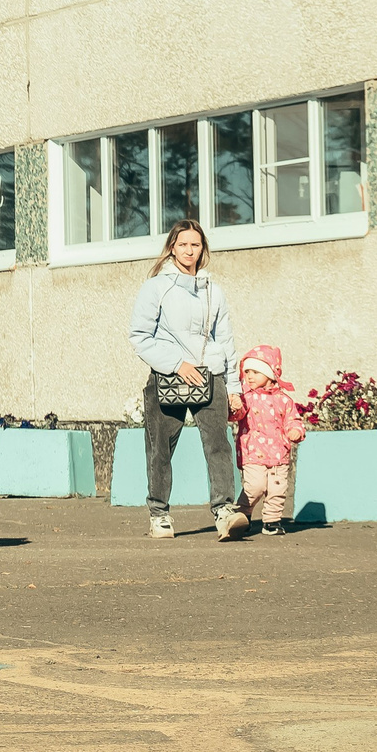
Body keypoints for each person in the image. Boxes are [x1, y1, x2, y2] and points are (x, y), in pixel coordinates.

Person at [128, 220, 243, 540]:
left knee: (219, 445)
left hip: (211, 375)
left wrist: (233, 386)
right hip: (168, 376)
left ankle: (224, 511)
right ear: (172, 247)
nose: (189, 250)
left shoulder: (212, 290)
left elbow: (226, 340)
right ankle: (159, 515)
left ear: (202, 249)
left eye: (195, 245)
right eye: (183, 244)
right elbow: (139, 337)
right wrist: (177, 364)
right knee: (160, 448)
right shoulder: (156, 286)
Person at [231, 343, 306, 536]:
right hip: (253, 451)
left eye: (256, 372)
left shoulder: (284, 400)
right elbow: (237, 416)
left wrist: (295, 431)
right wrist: (235, 406)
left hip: (279, 453)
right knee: (254, 486)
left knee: (277, 489)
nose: (249, 376)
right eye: (247, 371)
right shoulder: (246, 397)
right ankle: (242, 513)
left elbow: (293, 419)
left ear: (270, 374)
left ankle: (272, 521)